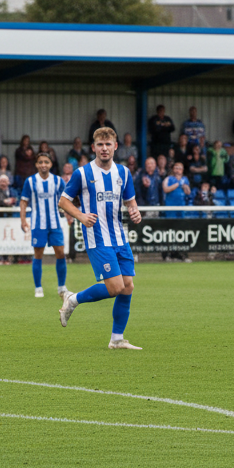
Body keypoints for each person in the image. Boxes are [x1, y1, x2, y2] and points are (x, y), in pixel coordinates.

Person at [57, 128, 144, 350]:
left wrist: (135, 212)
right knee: (115, 287)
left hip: (119, 237)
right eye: (99, 145)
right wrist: (81, 216)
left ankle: (117, 339)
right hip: (97, 238)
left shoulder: (124, 173)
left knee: (128, 287)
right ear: (93, 147)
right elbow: (64, 202)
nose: (104, 148)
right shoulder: (82, 174)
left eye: (108, 144)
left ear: (115, 146)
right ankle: (73, 299)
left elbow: (130, 203)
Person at [19, 152, 68, 299]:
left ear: (51, 164)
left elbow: (66, 199)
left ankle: (61, 287)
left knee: (60, 252)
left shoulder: (58, 181)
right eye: (40, 162)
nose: (43, 165)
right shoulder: (30, 181)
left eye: (46, 162)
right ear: (36, 165)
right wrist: (23, 220)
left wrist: (70, 215)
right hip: (38, 224)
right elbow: (23, 201)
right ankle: (38, 287)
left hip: (55, 223)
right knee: (38, 254)